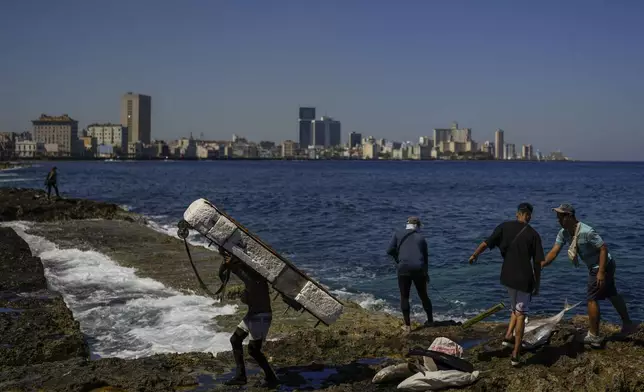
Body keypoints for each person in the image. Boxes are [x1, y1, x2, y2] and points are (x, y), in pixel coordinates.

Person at [541, 203, 637, 348]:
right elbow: (554, 251)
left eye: (560, 217)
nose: (558, 220)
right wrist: (541, 264)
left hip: (602, 265)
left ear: (569, 216)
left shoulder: (587, 231)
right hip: (598, 266)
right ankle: (628, 324)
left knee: (592, 299)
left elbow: (603, 248)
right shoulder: (564, 232)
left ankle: (594, 336)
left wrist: (601, 272)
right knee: (612, 293)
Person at [468, 202, 544, 366]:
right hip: (524, 279)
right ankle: (516, 353)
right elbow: (537, 263)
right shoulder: (534, 234)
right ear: (529, 215)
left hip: (507, 276)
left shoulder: (504, 227)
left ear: (518, 214)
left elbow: (486, 243)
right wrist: (537, 283)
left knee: (514, 308)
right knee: (521, 312)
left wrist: (474, 255)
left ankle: (508, 337)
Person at [216, 248, 280, 388]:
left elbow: (242, 273)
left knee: (253, 350)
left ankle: (271, 378)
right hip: (253, 315)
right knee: (235, 340)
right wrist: (228, 263)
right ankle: (241, 376)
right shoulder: (254, 278)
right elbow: (235, 272)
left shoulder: (256, 279)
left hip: (261, 317)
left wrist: (231, 263)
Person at [386, 216, 433, 334]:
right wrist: (426, 274)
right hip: (419, 268)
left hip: (403, 268)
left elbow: (389, 250)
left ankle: (408, 327)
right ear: (418, 226)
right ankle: (431, 321)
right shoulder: (421, 238)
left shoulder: (397, 234)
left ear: (407, 224)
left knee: (404, 296)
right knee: (423, 294)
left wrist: (398, 259)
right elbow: (425, 259)